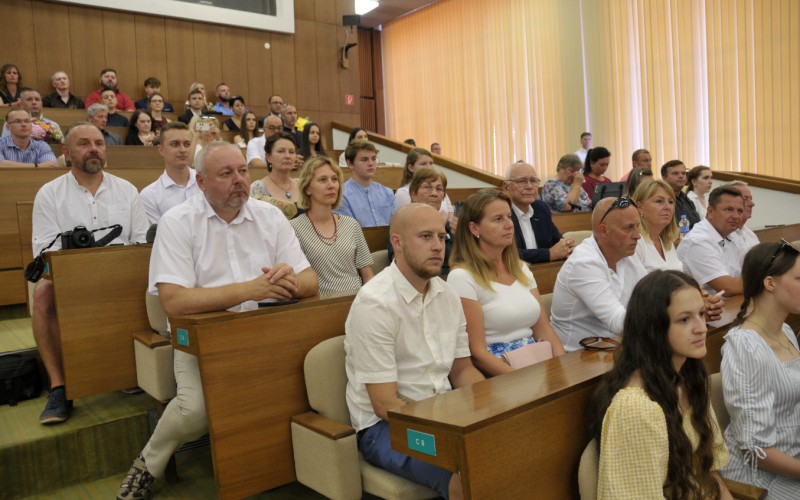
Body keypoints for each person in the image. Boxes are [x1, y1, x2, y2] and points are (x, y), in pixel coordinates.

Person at [117, 140, 318, 500]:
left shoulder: (270, 216)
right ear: (200, 182)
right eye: (226, 173)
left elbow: (310, 282)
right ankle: (147, 463)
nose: (239, 180)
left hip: (264, 331)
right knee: (195, 411)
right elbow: (175, 302)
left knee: (299, 392)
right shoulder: (178, 222)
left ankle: (271, 471)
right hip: (201, 337)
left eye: (243, 171)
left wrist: (289, 281)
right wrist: (250, 289)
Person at [344, 203, 484, 500]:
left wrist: (492, 408)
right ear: (397, 242)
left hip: (443, 412)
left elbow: (462, 371)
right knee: (464, 471)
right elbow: (385, 404)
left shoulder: (447, 295)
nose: (437, 247)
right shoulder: (376, 304)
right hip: (386, 428)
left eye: (442, 237)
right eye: (425, 237)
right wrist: (450, 433)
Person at [32, 122, 149, 425]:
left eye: (99, 142)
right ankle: (61, 387)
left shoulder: (127, 190)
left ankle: (129, 371)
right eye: (84, 144)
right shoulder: (49, 194)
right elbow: (45, 251)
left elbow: (140, 242)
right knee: (43, 293)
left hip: (121, 274)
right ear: (67, 152)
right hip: (72, 279)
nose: (94, 149)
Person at [590, 270, 732, 500]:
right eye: (685, 319)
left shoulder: (690, 378)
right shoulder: (635, 408)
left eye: (701, 314)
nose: (701, 328)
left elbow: (709, 473)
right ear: (653, 327)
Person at [448, 189, 566, 377]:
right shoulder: (462, 277)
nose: (509, 225)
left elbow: (543, 328)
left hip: (537, 362)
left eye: (509, 217)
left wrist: (562, 367)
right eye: (498, 219)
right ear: (474, 228)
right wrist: (520, 379)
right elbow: (477, 353)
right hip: (500, 373)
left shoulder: (521, 268)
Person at [720, 241, 800, 499]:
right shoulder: (745, 346)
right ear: (770, 283)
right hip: (760, 479)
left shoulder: (785, 331)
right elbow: (757, 450)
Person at [550, 196, 647, 351]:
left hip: (616, 348)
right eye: (628, 228)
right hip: (578, 359)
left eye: (637, 226)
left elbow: (650, 297)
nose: (637, 235)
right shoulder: (584, 263)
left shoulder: (627, 253)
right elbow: (618, 322)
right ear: (603, 230)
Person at [291, 156, 374, 295]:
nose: (331, 185)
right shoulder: (294, 228)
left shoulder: (351, 224)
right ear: (307, 189)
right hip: (323, 305)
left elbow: (367, 274)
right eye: (323, 180)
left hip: (358, 300)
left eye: (334, 179)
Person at [677, 186, 745, 296]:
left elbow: (750, 270)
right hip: (707, 309)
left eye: (740, 211)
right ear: (710, 211)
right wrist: (764, 280)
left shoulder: (733, 236)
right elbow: (727, 288)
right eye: (728, 209)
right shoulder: (698, 241)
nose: (736, 216)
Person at [388, 167, 454, 275]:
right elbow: (402, 268)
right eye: (427, 187)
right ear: (414, 194)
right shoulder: (401, 225)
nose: (434, 193)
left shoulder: (449, 227)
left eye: (439, 189)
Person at [503, 162, 574, 263]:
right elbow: (504, 253)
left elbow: (557, 240)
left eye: (533, 181)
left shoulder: (541, 208)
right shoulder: (501, 213)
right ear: (506, 187)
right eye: (521, 181)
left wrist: (567, 245)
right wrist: (549, 254)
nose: (529, 186)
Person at [139, 122, 201, 224]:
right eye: (175, 144)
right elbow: (160, 235)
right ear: (161, 150)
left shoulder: (208, 182)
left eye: (187, 144)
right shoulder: (149, 195)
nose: (183, 150)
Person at [335, 140, 395, 227]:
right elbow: (348, 231)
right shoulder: (341, 194)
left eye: (374, 159)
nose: (371, 163)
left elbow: (396, 226)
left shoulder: (387, 193)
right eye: (364, 159)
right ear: (350, 164)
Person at [631, 179, 682, 271]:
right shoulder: (635, 242)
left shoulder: (667, 242)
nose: (667, 207)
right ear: (639, 207)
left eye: (670, 202)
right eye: (659, 201)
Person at [250, 131, 300, 218]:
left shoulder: (302, 185)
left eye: (291, 152)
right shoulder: (257, 188)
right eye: (281, 151)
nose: (287, 156)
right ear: (268, 157)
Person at [662, 159, 701, 229]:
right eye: (675, 173)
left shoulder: (687, 200)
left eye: (683, 173)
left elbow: (698, 225)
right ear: (664, 178)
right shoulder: (661, 201)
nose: (681, 176)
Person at [726, 181, 759, 262]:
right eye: (745, 199)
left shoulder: (749, 233)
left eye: (751, 198)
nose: (752, 204)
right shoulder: (725, 235)